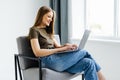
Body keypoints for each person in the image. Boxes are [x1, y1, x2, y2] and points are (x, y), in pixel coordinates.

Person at [28, 6, 106, 80]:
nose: (51, 19)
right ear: (41, 15)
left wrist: (67, 46)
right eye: (49, 16)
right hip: (48, 61)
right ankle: (102, 78)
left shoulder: (48, 32)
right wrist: (60, 49)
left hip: (57, 59)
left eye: (51, 18)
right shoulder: (34, 30)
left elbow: (58, 47)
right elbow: (37, 52)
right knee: (84, 52)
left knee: (88, 63)